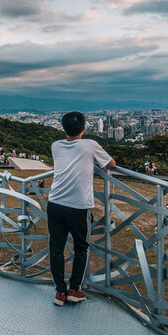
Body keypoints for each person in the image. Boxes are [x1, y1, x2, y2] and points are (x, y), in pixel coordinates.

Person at [47, 111, 115, 306]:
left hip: (56, 204)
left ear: (63, 128)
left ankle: (60, 292)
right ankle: (74, 290)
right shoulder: (91, 145)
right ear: (84, 127)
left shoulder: (56, 145)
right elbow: (112, 163)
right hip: (78, 207)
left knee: (56, 249)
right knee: (81, 249)